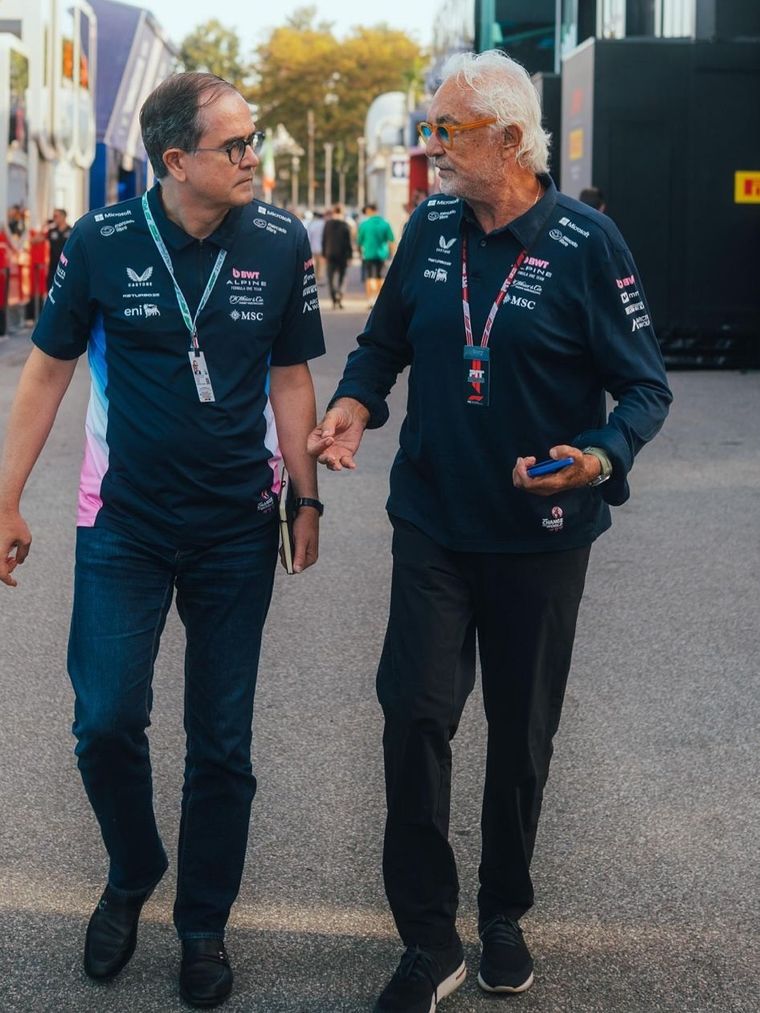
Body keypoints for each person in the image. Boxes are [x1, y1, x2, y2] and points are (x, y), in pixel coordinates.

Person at [308, 49, 671, 1013]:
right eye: (429, 131)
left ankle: (504, 908)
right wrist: (353, 405)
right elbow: (382, 346)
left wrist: (596, 454)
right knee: (416, 715)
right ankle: (429, 938)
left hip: (543, 532)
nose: (430, 152)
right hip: (432, 520)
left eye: (446, 134)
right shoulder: (431, 226)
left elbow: (645, 386)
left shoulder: (590, 244)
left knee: (520, 737)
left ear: (511, 140)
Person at [0, 72, 326, 1009]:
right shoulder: (102, 243)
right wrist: (8, 498)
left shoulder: (278, 240)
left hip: (234, 527)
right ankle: (133, 867)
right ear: (176, 159)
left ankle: (203, 924)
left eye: (255, 140)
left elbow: (294, 377)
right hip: (124, 523)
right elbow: (46, 373)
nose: (254, 158)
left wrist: (306, 502)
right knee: (104, 721)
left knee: (221, 741)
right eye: (236, 146)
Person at [357, 203, 394, 307]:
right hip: (382, 255)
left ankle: (370, 300)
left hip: (368, 254)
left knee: (369, 277)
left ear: (369, 210)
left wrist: (360, 252)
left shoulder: (364, 225)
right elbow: (391, 240)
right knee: (381, 277)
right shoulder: (385, 224)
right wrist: (391, 254)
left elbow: (359, 241)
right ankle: (379, 299)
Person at [322, 203, 353, 309]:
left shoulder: (328, 224)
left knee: (330, 277)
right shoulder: (345, 225)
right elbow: (348, 242)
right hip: (343, 254)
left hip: (330, 254)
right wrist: (350, 256)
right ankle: (339, 293)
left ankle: (333, 297)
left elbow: (324, 239)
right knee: (342, 276)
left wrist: (324, 254)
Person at [45, 207, 72, 292]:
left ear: (63, 217)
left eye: (56, 216)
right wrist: (45, 225)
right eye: (53, 216)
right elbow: (35, 240)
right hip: (53, 266)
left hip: (66, 266)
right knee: (51, 289)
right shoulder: (51, 231)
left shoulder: (71, 231)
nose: (54, 218)